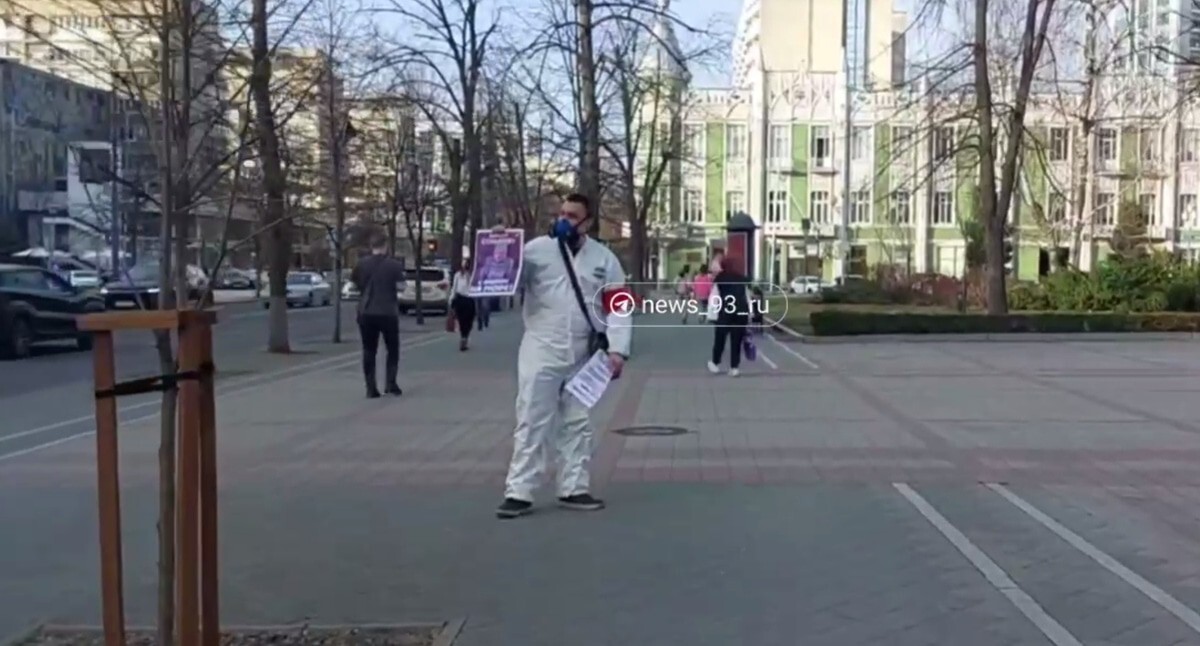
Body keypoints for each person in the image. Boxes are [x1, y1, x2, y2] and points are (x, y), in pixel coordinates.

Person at [497, 193, 632, 519]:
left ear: (587, 222)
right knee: (532, 419)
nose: (563, 220)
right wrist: (500, 248)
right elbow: (506, 280)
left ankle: (573, 487)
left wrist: (617, 349)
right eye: (561, 214)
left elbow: (619, 306)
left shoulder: (604, 259)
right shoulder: (535, 251)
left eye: (572, 216)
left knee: (577, 422)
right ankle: (519, 491)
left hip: (584, 352)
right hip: (541, 347)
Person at [350, 235, 407, 398]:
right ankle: (391, 383)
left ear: (371, 246)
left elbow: (353, 284)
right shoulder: (394, 265)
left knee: (369, 350)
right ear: (385, 246)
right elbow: (401, 287)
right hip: (388, 311)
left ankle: (371, 388)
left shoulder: (361, 264)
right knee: (392, 349)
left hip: (366, 311)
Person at [708, 256, 750, 377]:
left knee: (720, 340)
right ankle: (734, 368)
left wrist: (712, 315)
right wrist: (750, 314)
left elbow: (714, 298)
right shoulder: (741, 279)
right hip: (741, 313)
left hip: (725, 313)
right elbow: (747, 297)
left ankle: (715, 363)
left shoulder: (719, 279)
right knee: (736, 341)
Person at [449, 259, 476, 351]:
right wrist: (451, 300)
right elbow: (454, 288)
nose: (464, 268)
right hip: (460, 299)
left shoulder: (472, 275)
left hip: (470, 299)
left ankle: (466, 337)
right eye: (463, 266)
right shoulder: (457, 275)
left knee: (469, 321)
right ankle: (463, 339)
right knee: (461, 320)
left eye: (465, 266)